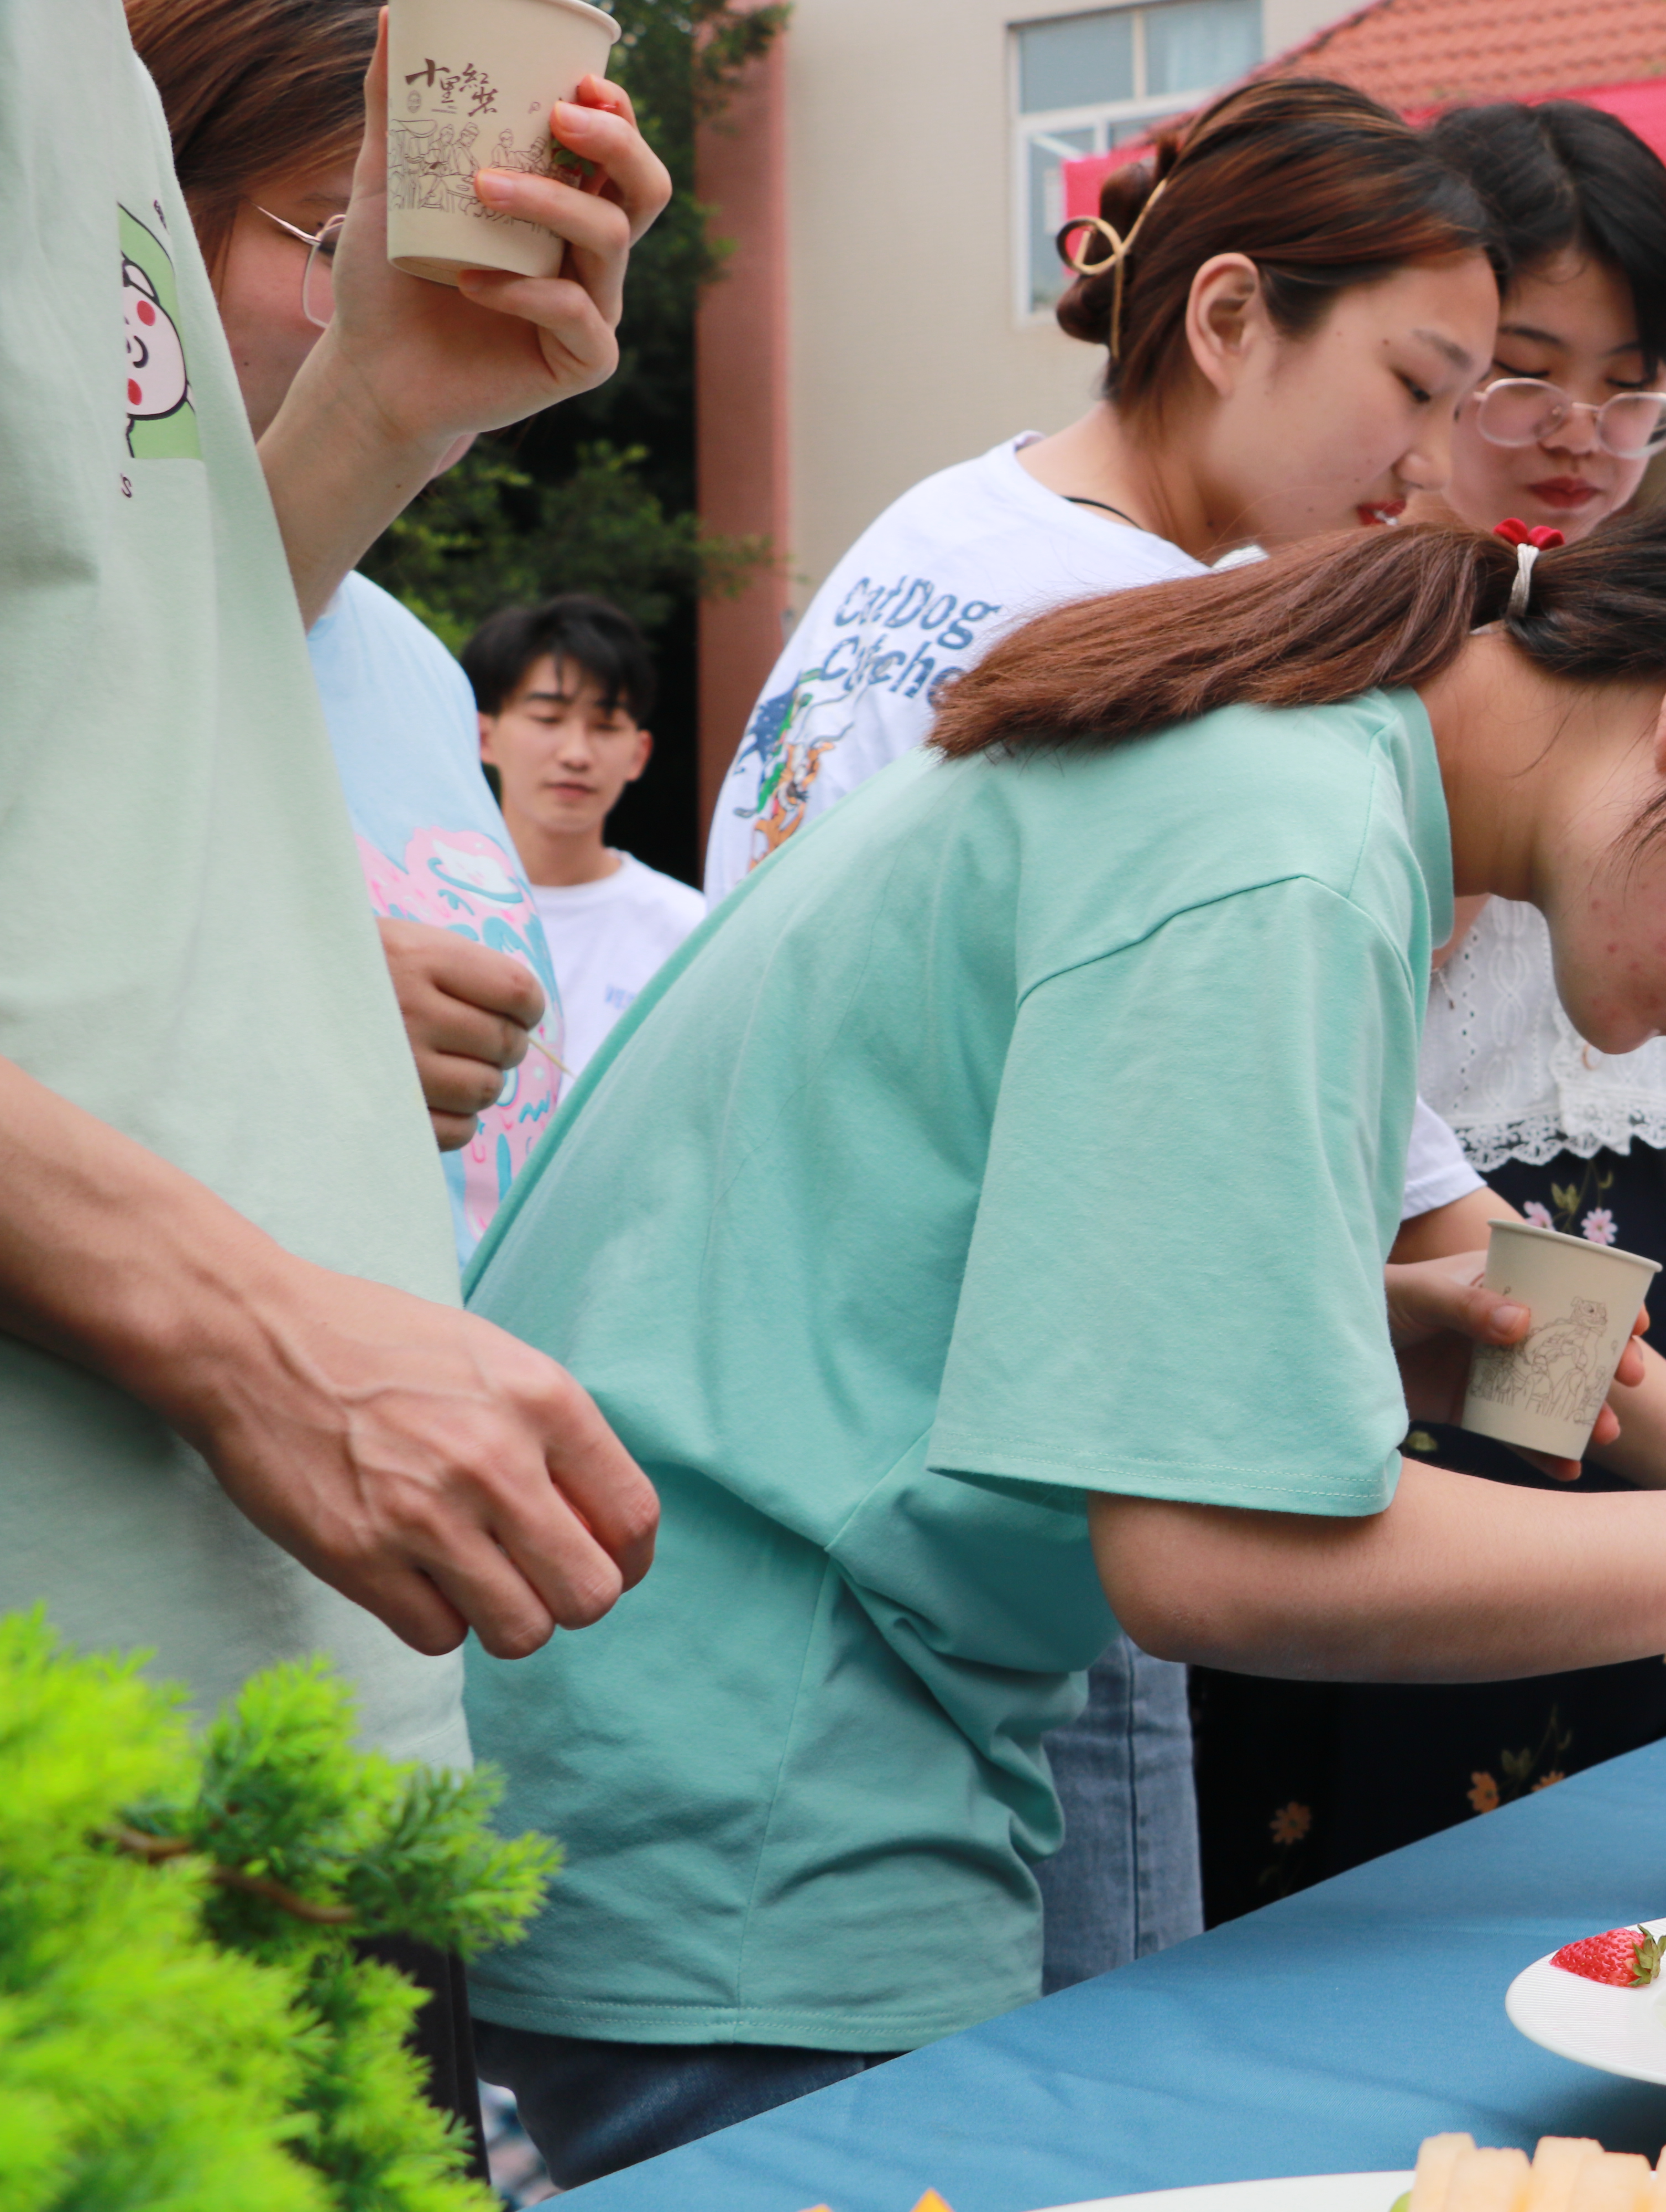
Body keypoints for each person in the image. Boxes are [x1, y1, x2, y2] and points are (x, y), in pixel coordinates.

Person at [453, 465, 1666, 2180]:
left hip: (699, 1721)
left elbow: (1450, 1280)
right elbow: (1212, 1551)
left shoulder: (1323, 777)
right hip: (757, 1778)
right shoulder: (1286, 851)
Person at [694, 75, 1511, 1999]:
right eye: (1419, 384)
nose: (1437, 460)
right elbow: (1434, 1247)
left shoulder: (942, 522)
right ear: (1228, 320)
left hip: (798, 1437)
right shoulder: (1175, 661)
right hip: (1006, 1484)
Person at [4, 0, 667, 2165]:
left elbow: (105, 740)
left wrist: (383, 402)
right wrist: (249, 1325)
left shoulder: (81, 71)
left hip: (265, 1725)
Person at [1190, 98, 1666, 1919]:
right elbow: (1381, 1149)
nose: (1577, 435)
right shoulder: (1324, 687)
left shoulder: (1654, 665)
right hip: (1447, 1297)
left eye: (1631, 389)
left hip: (1605, 1311)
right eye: (1517, 374)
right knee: (1422, 1883)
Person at [136, 0, 568, 1254]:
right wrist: (275, 1008)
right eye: (339, 235)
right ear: (145, 215)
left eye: (434, 244)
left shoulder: (412, 664)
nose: (404, 302)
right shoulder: (52, 606)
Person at [469, 594, 704, 1065]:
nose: (576, 753)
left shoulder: (690, 931)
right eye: (548, 719)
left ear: (639, 753)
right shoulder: (427, 906)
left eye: (605, 725)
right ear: (484, 737)